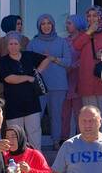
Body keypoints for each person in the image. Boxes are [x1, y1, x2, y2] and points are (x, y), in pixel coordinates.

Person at [71, 5, 102, 138]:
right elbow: (75, 46)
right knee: (89, 118)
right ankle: (91, 146)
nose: (92, 18)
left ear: (101, 17)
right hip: (87, 84)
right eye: (89, 16)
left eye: (95, 15)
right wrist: (89, 32)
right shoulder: (84, 34)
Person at [0, 33, 52, 150]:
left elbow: (48, 59)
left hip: (32, 102)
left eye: (15, 43)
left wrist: (37, 72)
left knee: (34, 133)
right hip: (14, 105)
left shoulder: (28, 56)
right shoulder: (4, 61)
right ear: (7, 46)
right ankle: (16, 162)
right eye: (10, 44)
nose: (13, 46)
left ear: (20, 45)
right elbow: (9, 78)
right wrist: (28, 77)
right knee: (14, 135)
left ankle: (37, 159)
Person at [28, 13, 72, 149]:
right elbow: (28, 63)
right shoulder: (33, 43)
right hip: (38, 85)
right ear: (39, 26)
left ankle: (56, 142)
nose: (46, 26)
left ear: (53, 25)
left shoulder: (61, 42)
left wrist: (54, 59)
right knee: (36, 116)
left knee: (56, 115)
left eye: (49, 23)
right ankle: (33, 144)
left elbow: (69, 62)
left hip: (58, 85)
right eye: (43, 23)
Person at [59, 14, 86, 145]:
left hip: (79, 79)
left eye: (70, 23)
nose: (67, 26)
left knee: (79, 112)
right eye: (67, 23)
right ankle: (64, 140)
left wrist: (74, 65)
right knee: (65, 113)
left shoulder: (85, 39)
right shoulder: (64, 41)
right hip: (65, 79)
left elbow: (86, 58)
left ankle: (82, 139)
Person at [0, 15, 23, 87]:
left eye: (21, 24)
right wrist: (4, 69)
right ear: (11, 24)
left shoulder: (25, 40)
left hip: (22, 81)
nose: (21, 26)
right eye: (18, 24)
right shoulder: (1, 41)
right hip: (5, 82)